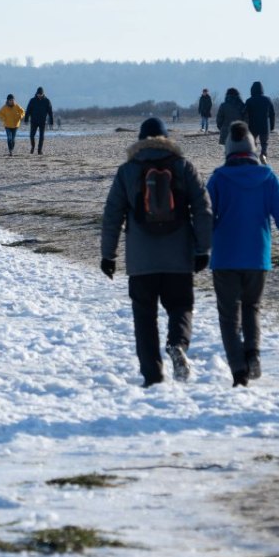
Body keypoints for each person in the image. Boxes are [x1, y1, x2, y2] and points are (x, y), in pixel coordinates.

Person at [100, 117, 213, 387]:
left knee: (144, 318)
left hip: (141, 261)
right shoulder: (184, 167)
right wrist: (202, 249)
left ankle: (152, 378)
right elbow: (203, 210)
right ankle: (178, 345)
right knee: (181, 307)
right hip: (179, 258)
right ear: (167, 139)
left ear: (140, 141)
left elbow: (112, 216)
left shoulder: (127, 171)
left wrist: (108, 255)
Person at [207, 122, 279, 386]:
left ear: (228, 149)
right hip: (257, 258)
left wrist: (197, 250)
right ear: (253, 147)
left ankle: (238, 371)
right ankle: (253, 355)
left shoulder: (218, 178)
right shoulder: (268, 178)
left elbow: (203, 219)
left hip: (225, 259)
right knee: (252, 308)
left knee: (228, 317)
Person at [242, 81, 276, 162]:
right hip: (265, 125)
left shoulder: (249, 101)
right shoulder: (267, 100)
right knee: (264, 143)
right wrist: (272, 126)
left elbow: (244, 113)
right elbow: (272, 114)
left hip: (252, 126)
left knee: (252, 142)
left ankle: (253, 156)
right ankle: (263, 155)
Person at [24, 87, 54, 154]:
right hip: (34, 121)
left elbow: (50, 112)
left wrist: (51, 122)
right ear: (36, 94)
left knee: (41, 136)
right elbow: (28, 110)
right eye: (38, 94)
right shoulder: (32, 100)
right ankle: (33, 146)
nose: (39, 95)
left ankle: (39, 150)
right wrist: (26, 119)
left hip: (42, 122)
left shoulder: (47, 101)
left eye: (41, 94)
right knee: (31, 135)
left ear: (43, 94)